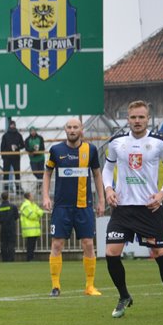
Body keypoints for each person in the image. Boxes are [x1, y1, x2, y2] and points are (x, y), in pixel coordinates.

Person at [102, 100, 163, 319]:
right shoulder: (117, 142)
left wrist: (161, 194)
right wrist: (108, 189)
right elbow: (107, 169)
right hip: (122, 208)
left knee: (160, 254)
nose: (137, 121)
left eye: (141, 117)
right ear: (127, 119)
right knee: (111, 253)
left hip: (150, 208)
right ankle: (124, 296)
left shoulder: (160, 142)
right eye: (133, 117)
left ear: (148, 119)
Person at [41, 118, 104, 296]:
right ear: (65, 130)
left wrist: (101, 200)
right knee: (57, 244)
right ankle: (55, 286)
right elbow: (47, 174)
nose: (72, 130)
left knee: (88, 244)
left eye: (75, 127)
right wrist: (45, 196)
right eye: (69, 127)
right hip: (62, 207)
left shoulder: (91, 150)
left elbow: (97, 175)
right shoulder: (56, 150)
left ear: (81, 129)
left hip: (84, 205)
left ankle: (90, 286)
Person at [0, 120, 24, 193]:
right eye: (11, 125)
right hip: (7, 158)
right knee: (6, 174)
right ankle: (6, 189)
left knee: (17, 174)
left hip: (16, 157)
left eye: (13, 125)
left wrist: (17, 147)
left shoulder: (18, 135)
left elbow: (23, 145)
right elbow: (2, 147)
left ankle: (18, 189)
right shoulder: (5, 136)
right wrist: (3, 157)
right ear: (9, 126)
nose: (12, 126)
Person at [19, 192, 44, 262]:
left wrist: (37, 214)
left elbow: (41, 212)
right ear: (29, 197)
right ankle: (29, 258)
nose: (33, 197)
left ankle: (31, 258)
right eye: (32, 195)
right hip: (29, 229)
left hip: (34, 229)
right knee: (30, 245)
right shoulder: (25, 205)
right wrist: (37, 215)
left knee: (32, 245)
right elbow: (32, 215)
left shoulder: (33, 204)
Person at [0, 191, 18, 262]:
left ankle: (4, 259)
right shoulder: (13, 206)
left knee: (4, 244)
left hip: (3, 227)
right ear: (8, 197)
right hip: (11, 227)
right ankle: (11, 259)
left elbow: (0, 218)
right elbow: (16, 216)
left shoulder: (0, 207)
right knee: (11, 243)